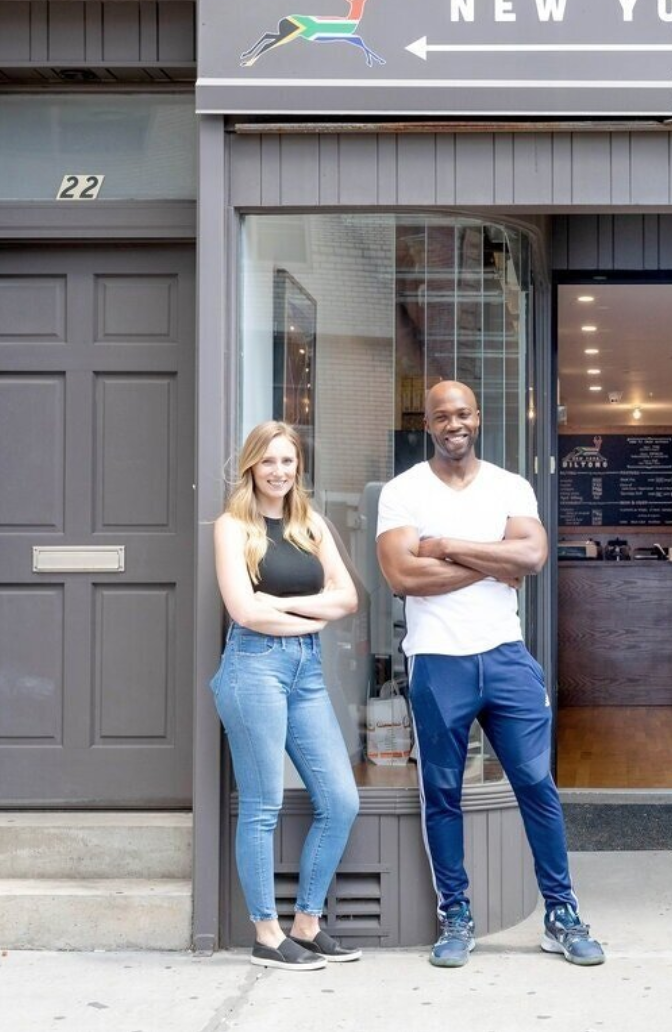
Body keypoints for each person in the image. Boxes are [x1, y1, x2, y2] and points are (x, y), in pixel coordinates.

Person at [376, 380, 605, 969]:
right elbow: (403, 576)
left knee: (537, 785)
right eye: (441, 416)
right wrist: (491, 561)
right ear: (427, 424)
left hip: (506, 657)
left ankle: (561, 914)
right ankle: (455, 915)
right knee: (441, 793)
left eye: (463, 414)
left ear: (477, 418)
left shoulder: (510, 485)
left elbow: (531, 556)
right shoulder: (403, 492)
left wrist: (446, 546)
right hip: (437, 661)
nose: (453, 424)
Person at [212, 421, 362, 971]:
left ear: (299, 467)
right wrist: (309, 615)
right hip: (253, 668)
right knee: (263, 805)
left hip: (307, 672)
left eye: (288, 461)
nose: (279, 471)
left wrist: (281, 607)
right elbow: (243, 611)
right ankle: (267, 934)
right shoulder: (233, 527)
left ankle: (306, 923)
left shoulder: (309, 523)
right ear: (251, 465)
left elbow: (347, 598)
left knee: (341, 800)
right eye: (268, 461)